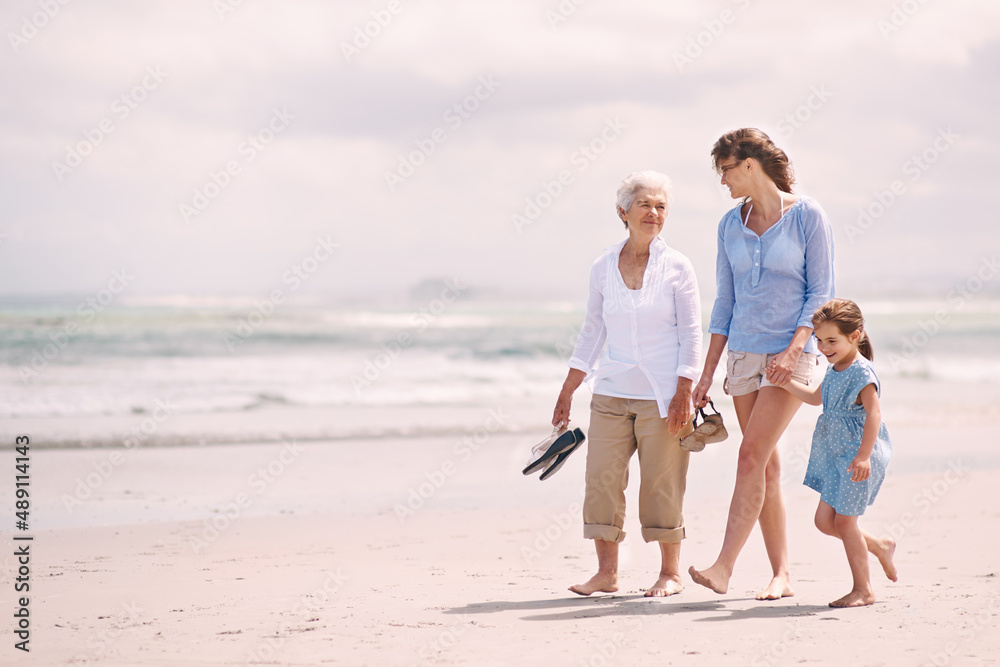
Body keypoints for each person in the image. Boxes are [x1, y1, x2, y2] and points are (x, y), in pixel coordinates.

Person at [689, 128, 835, 600]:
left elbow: (820, 293)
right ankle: (783, 574)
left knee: (749, 455)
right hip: (742, 356)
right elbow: (725, 302)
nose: (723, 182)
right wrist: (707, 370)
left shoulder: (808, 216)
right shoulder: (730, 224)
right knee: (766, 467)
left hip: (788, 356)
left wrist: (794, 349)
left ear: (749, 164)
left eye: (726, 171)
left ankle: (723, 567)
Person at [552, 170, 702, 598]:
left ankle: (669, 573)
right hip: (611, 391)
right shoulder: (603, 265)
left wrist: (684, 391)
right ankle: (607, 574)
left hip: (662, 396)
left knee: (662, 482)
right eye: (645, 204)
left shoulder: (678, 266)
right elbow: (593, 330)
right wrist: (569, 388)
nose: (653, 213)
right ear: (623, 211)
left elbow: (691, 333)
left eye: (660, 206)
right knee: (601, 479)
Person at [773, 298, 896, 607]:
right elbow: (817, 399)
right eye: (819, 340)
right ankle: (879, 546)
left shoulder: (860, 372)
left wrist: (864, 456)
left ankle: (864, 589)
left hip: (858, 455)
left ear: (855, 336)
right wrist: (785, 381)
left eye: (832, 340)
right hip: (837, 454)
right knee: (824, 521)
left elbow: (874, 415)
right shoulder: (836, 368)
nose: (824, 347)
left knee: (844, 523)